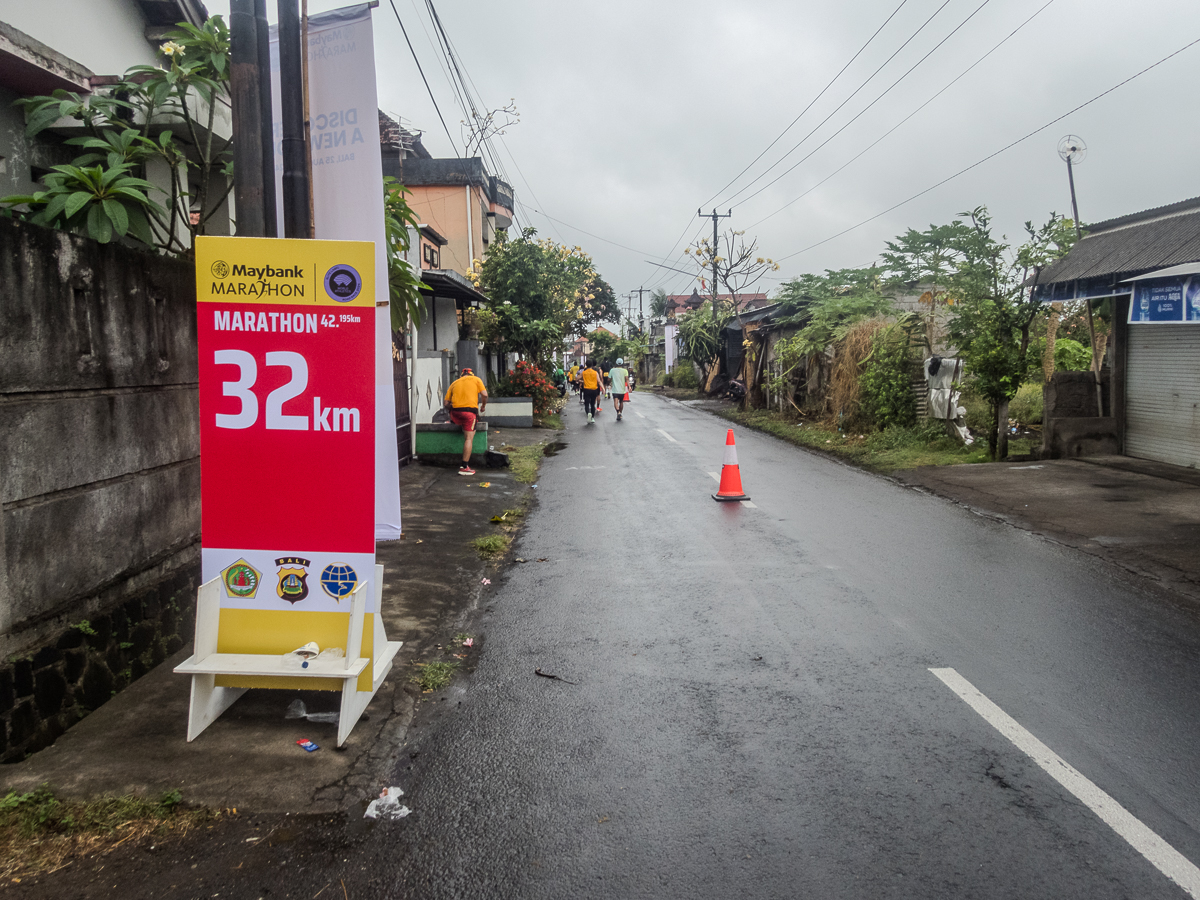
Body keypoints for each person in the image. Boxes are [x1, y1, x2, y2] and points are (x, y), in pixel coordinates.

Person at [443, 367, 487, 475]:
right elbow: (485, 395)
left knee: (462, 419)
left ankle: (453, 421)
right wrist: (483, 406)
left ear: (462, 375)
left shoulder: (454, 383)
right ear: (472, 374)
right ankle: (464, 466)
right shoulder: (476, 380)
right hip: (469, 414)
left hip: (455, 413)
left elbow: (446, 403)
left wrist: (453, 410)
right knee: (469, 438)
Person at [580, 359, 603, 424]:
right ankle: (592, 417)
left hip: (586, 389)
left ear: (586, 365)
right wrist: (603, 388)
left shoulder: (584, 372)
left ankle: (588, 413)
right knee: (592, 404)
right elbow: (599, 381)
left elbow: (577, 378)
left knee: (586, 404)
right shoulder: (595, 372)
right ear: (592, 365)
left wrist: (581, 381)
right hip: (594, 390)